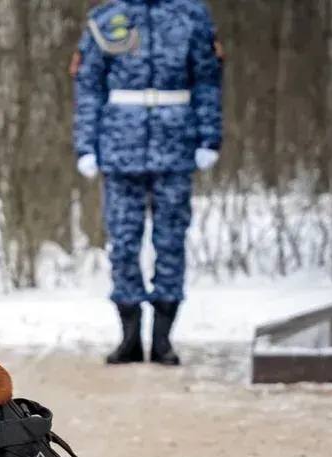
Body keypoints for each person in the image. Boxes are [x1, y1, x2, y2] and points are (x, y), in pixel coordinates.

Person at [72, 0, 223, 366]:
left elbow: (207, 80)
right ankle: (129, 334)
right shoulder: (107, 19)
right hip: (120, 147)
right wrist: (86, 145)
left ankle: (162, 338)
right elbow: (89, 86)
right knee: (123, 243)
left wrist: (209, 137)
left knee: (170, 242)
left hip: (176, 144)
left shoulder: (191, 16)